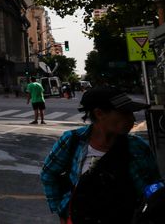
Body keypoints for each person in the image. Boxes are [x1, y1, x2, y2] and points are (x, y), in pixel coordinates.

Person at [40, 87, 162, 224]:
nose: (132, 119)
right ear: (99, 113)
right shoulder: (73, 141)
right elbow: (48, 174)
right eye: (125, 113)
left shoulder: (138, 147)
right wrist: (61, 210)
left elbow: (154, 187)